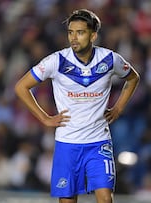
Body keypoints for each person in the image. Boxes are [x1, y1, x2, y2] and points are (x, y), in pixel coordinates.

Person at [15, 9, 140, 203]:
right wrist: (44, 118)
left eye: (80, 32)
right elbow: (21, 87)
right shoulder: (56, 61)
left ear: (93, 35)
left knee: (106, 199)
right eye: (70, 32)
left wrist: (118, 108)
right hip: (67, 144)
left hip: (99, 142)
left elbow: (133, 78)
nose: (74, 38)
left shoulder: (109, 59)